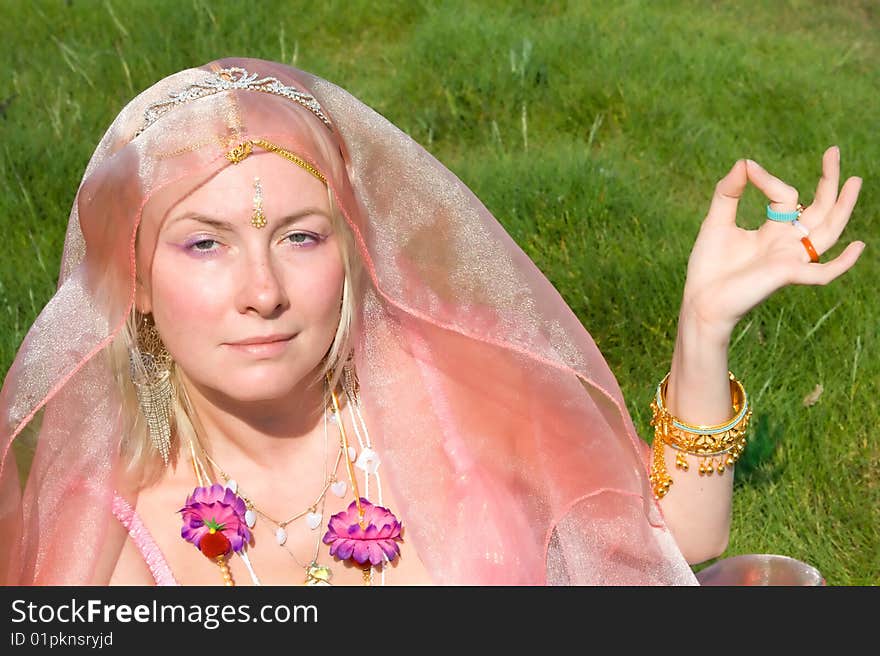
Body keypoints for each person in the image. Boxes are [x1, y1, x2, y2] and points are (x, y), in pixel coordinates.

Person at [0, 58, 864, 586]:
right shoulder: (103, 523)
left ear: (353, 249)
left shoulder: (447, 396)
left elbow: (679, 540)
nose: (261, 291)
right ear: (135, 279)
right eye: (204, 246)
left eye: (300, 236)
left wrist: (702, 327)